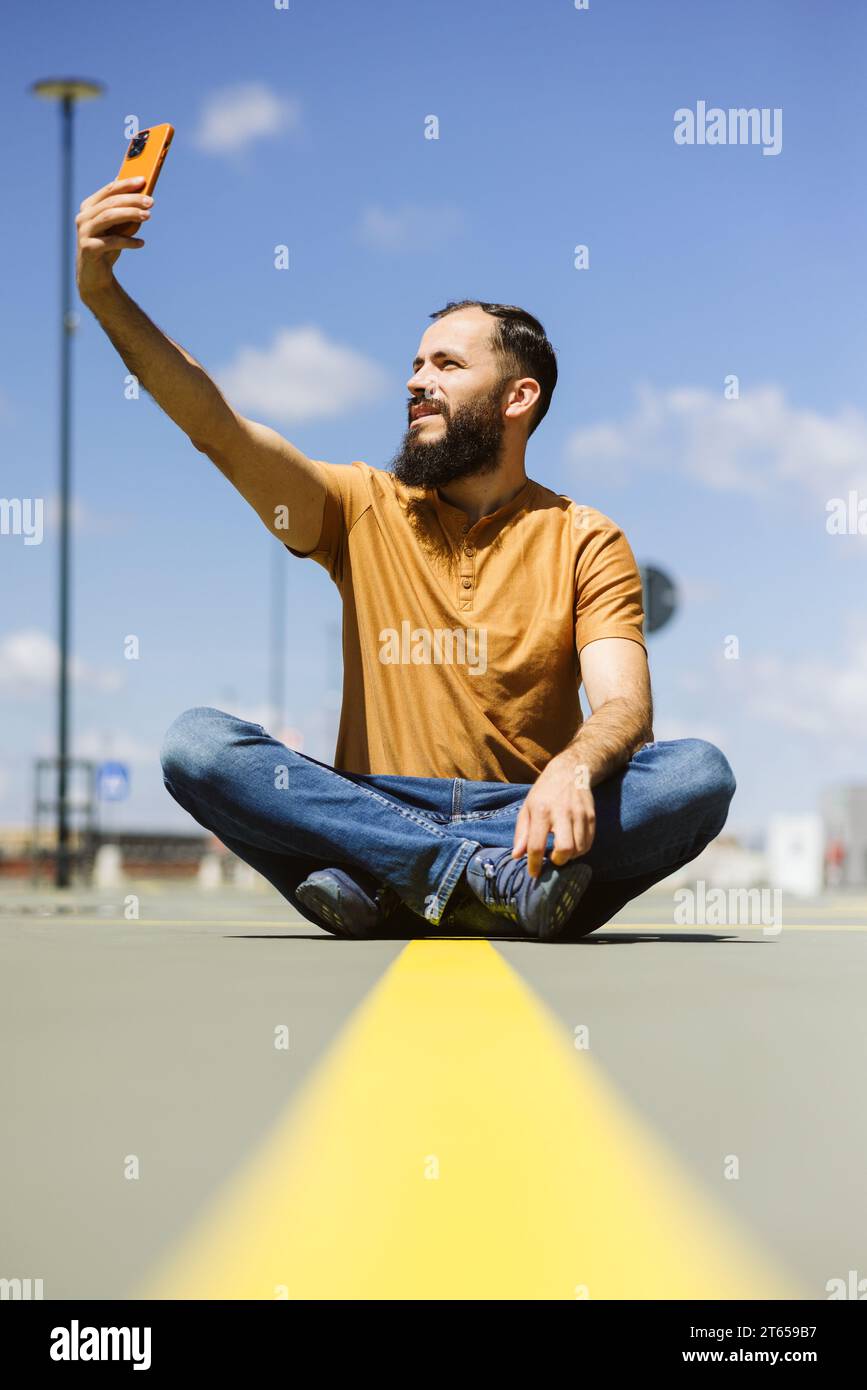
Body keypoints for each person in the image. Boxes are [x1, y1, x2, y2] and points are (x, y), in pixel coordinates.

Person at [75, 176, 735, 941]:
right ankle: (485, 880)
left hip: (526, 813)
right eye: (416, 366)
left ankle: (391, 883)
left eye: (447, 366)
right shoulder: (358, 505)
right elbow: (216, 426)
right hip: (372, 802)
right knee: (197, 745)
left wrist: (572, 769)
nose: (416, 382)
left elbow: (625, 709)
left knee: (696, 775)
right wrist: (102, 293)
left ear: (518, 398)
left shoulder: (585, 536)